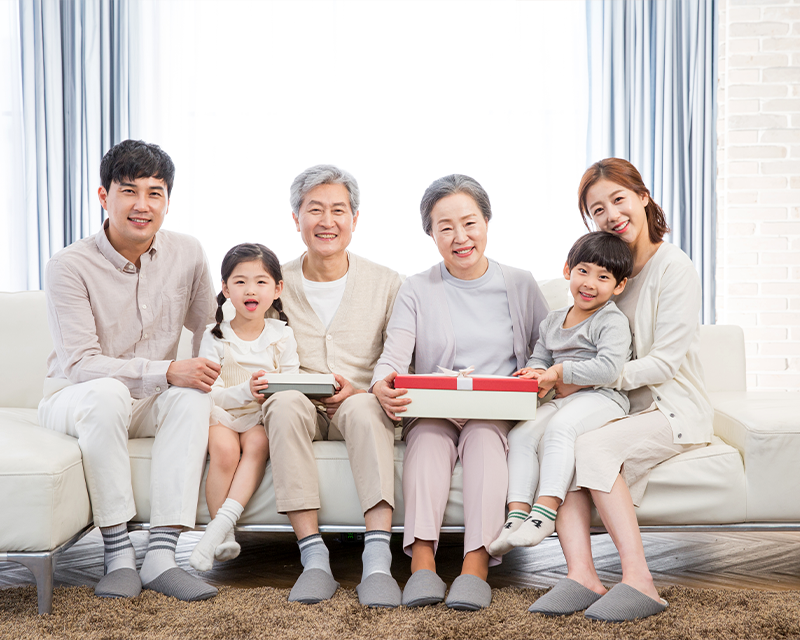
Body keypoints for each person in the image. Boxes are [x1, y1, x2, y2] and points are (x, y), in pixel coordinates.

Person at [527, 158, 714, 622]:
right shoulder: (610, 272)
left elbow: (664, 363)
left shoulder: (674, 267)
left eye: (618, 199)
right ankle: (581, 576)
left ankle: (640, 581)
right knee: (559, 441)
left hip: (671, 408)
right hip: (618, 407)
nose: (611, 215)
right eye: (597, 210)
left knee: (591, 446)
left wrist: (575, 376)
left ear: (642, 197)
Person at [38, 140, 219, 601]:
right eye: (129, 191)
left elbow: (211, 330)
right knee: (107, 392)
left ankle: (161, 556)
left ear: (167, 201)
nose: (143, 205)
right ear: (104, 196)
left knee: (192, 396)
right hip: (75, 398)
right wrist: (167, 370)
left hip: (147, 402)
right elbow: (81, 364)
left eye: (155, 193)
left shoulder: (188, 252)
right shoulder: (68, 266)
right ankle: (117, 555)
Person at [372, 174, 550, 611]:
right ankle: (422, 564)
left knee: (485, 439)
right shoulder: (416, 287)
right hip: (436, 407)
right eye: (445, 227)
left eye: (470, 223)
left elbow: (547, 347)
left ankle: (476, 565)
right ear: (431, 234)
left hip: (494, 408)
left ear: (487, 222)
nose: (460, 237)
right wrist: (382, 383)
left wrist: (539, 372)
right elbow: (395, 353)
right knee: (427, 441)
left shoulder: (521, 283)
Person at [261, 165, 404, 608]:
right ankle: (314, 558)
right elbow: (244, 341)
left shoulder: (387, 283)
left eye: (338, 210)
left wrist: (363, 392)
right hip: (300, 405)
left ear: (354, 219)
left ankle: (377, 560)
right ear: (296, 218)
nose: (327, 221)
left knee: (363, 408)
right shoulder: (272, 282)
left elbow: (401, 357)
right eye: (315, 210)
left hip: (359, 403)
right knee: (283, 404)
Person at [489, 231, 633, 557]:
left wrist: (557, 373)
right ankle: (516, 516)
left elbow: (609, 368)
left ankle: (545, 512)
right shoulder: (553, 321)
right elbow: (540, 357)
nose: (590, 283)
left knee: (559, 429)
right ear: (568, 269)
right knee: (521, 435)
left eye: (603, 277)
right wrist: (536, 372)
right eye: (583, 271)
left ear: (619, 285)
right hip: (562, 398)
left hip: (603, 398)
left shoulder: (611, 320)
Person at [189, 243, 299, 572]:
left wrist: (270, 393)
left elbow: (292, 380)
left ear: (277, 289)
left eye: (261, 282)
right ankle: (223, 535)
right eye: (240, 282)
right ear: (225, 289)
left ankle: (220, 526)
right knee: (224, 451)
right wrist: (245, 391)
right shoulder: (215, 336)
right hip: (222, 412)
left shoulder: (282, 335)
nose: (251, 290)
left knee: (259, 444)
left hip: (259, 416)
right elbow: (210, 392)